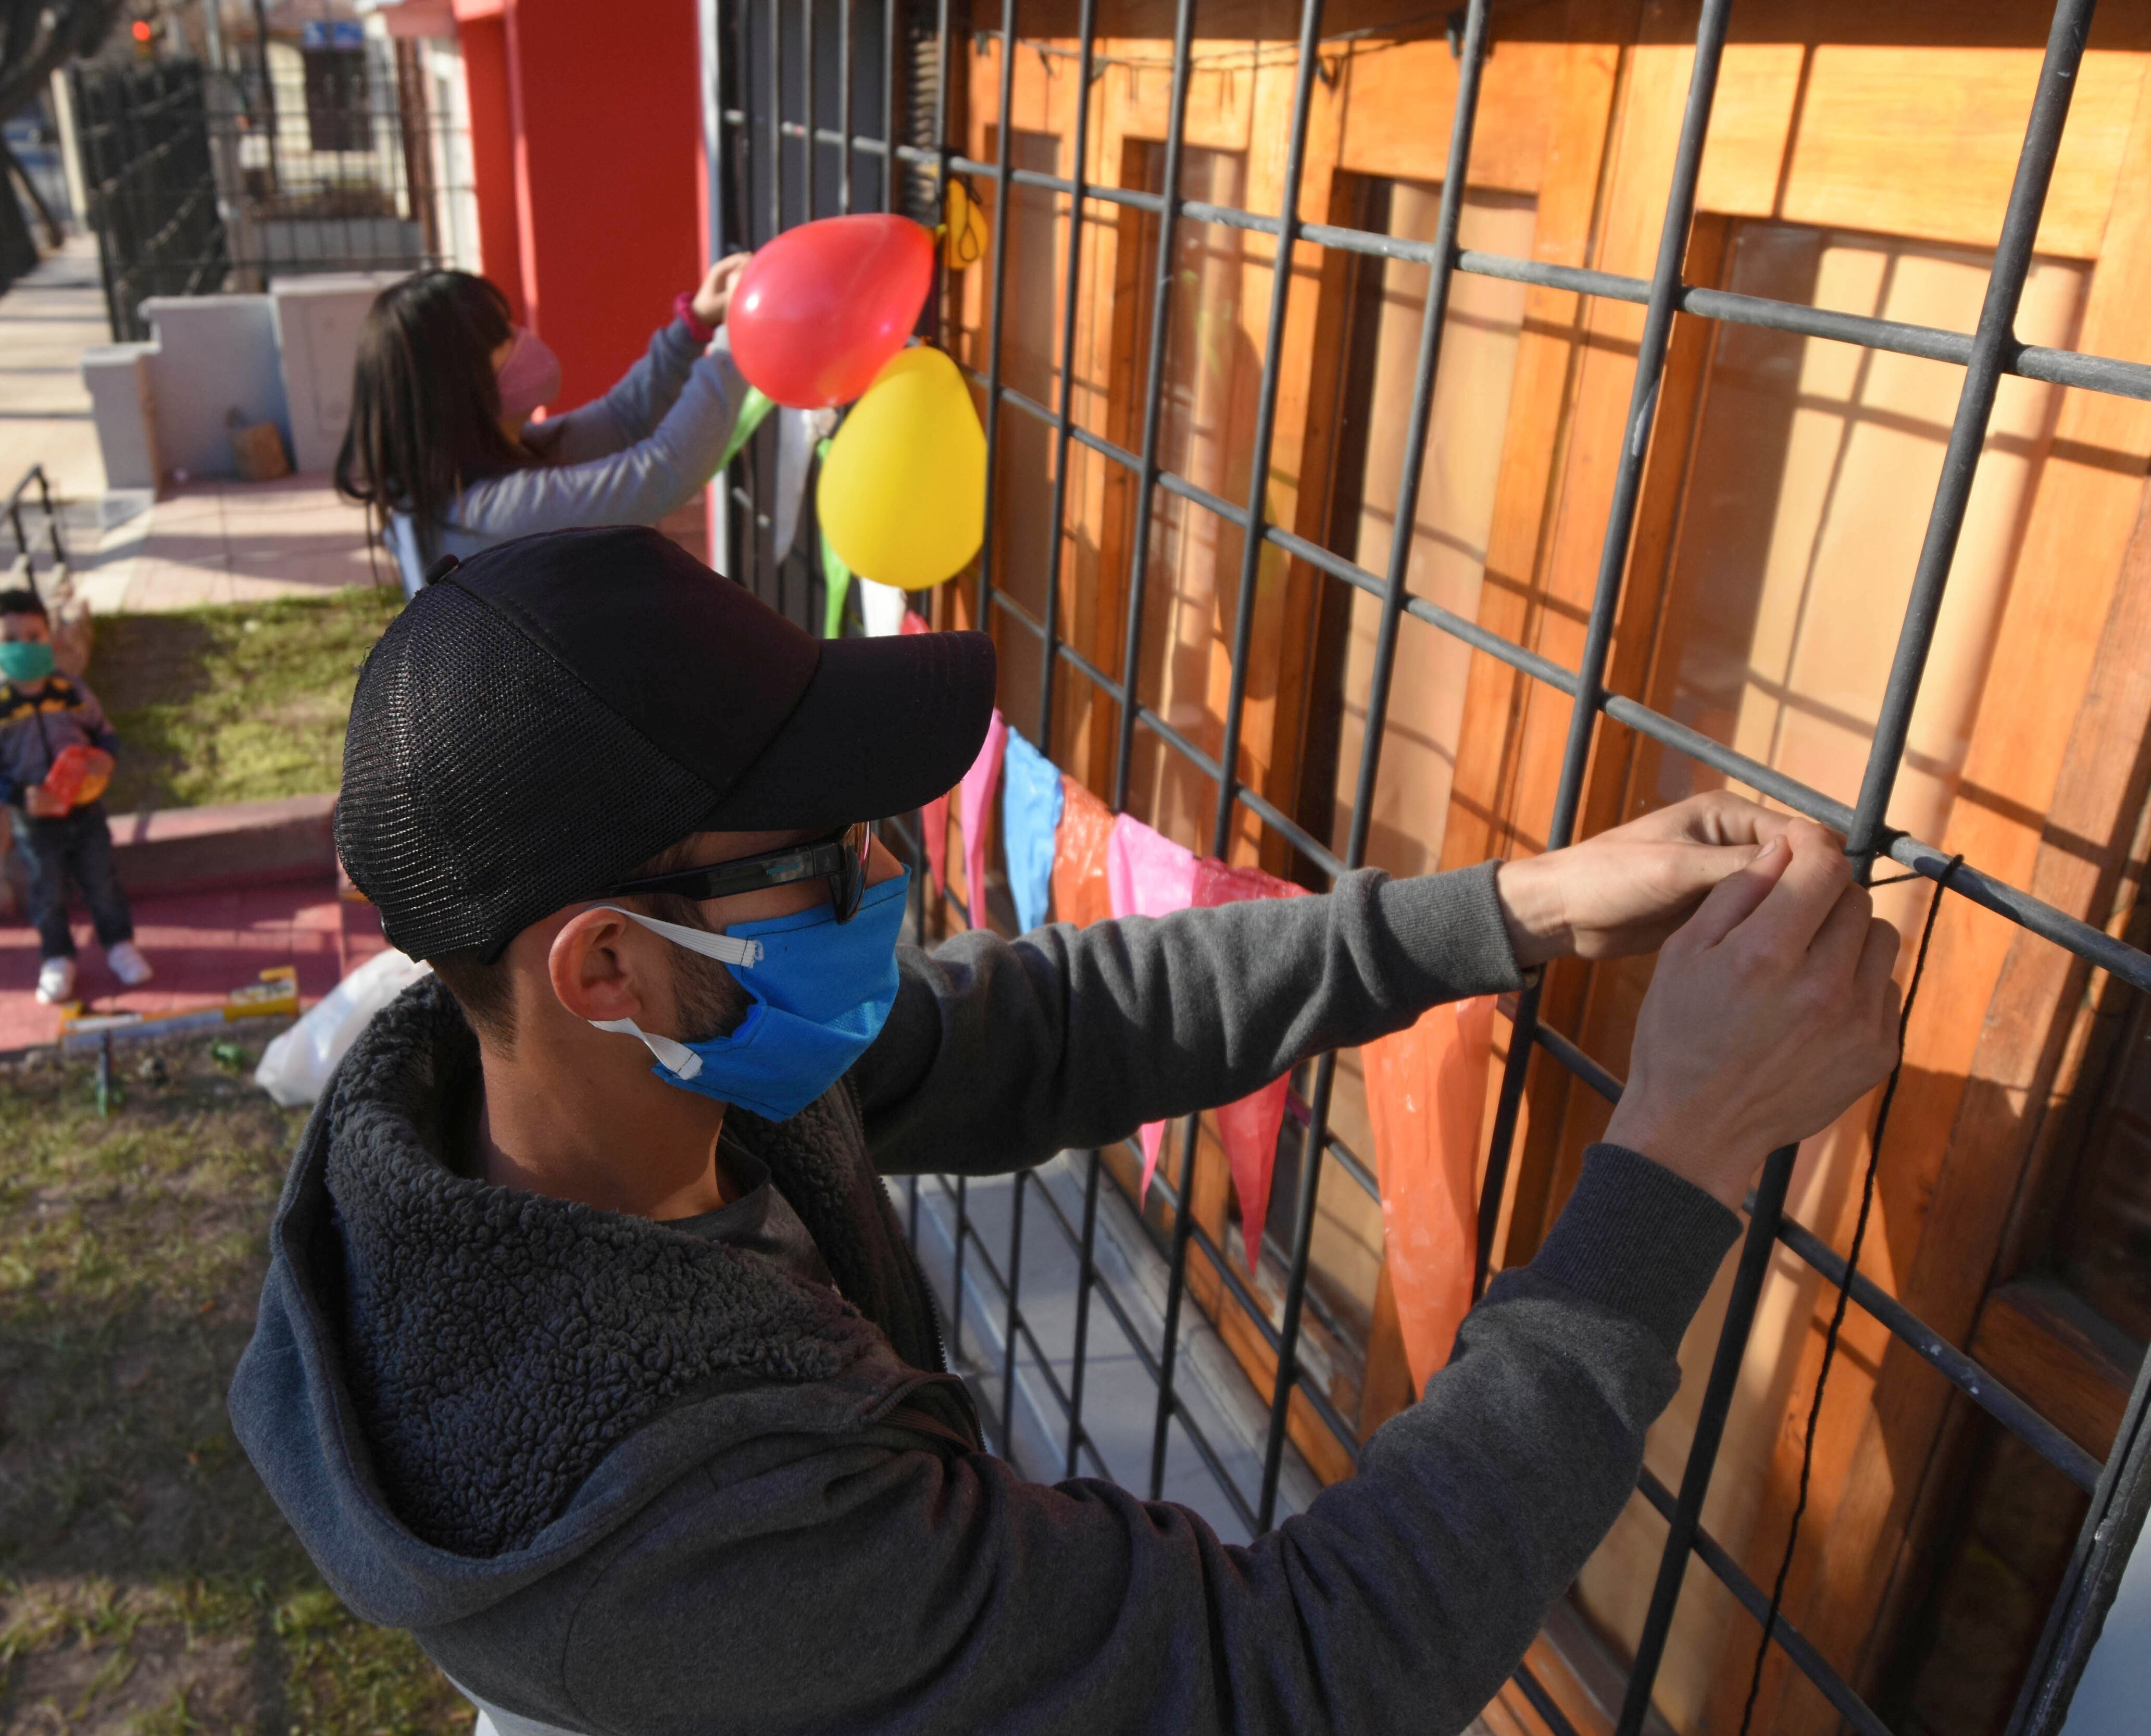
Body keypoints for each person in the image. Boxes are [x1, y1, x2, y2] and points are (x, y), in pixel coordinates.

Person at [231, 527, 1903, 1735]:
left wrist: (1506, 911)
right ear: (602, 960)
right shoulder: (683, 1525)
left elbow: (1049, 1026)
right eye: (817, 854)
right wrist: (1679, 1152)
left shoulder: (608, 1074)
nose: (890, 876)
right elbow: (1290, 1675)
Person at [334, 258, 755, 593]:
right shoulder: (485, 517)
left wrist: (693, 327)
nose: (521, 336)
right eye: (502, 335)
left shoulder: (452, 481)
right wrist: (735, 347)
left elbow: (623, 420)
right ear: (455, 387)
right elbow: (663, 474)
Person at [0, 590, 151, 1006]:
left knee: (102, 878)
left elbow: (105, 732)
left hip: (85, 806)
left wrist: (105, 759)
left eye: (33, 635)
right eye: (10, 638)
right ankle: (57, 957)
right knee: (45, 890)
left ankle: (119, 945)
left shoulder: (72, 692)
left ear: (50, 638)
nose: (23, 646)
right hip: (35, 817)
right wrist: (16, 796)